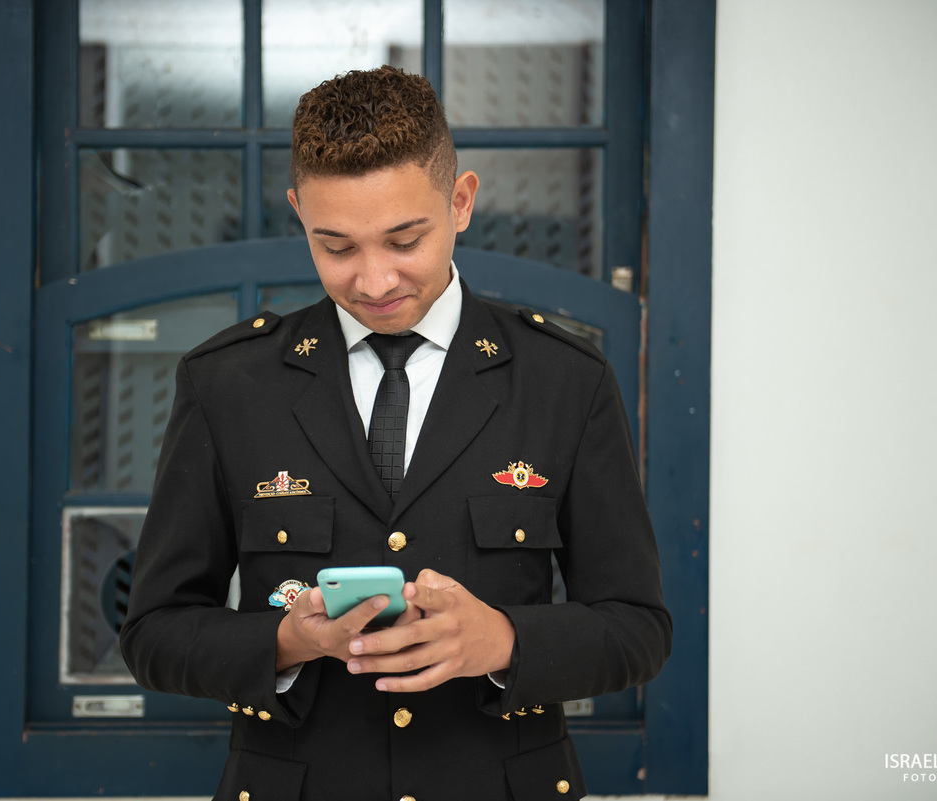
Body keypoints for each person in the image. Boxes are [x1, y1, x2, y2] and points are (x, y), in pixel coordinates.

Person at [120, 65, 671, 801]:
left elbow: (637, 629)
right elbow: (153, 633)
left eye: (404, 240)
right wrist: (288, 641)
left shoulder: (565, 378)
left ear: (461, 202)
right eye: (336, 247)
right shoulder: (227, 382)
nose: (375, 281)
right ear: (298, 214)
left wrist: (503, 641)